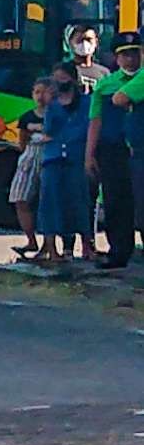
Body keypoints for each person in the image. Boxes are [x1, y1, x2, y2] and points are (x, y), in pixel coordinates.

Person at [94, 31, 144, 270]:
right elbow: (96, 120)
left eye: (135, 54)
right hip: (114, 150)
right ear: (116, 58)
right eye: (125, 55)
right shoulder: (106, 84)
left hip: (137, 150)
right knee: (116, 201)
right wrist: (89, 155)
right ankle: (119, 252)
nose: (130, 60)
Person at [38, 62, 91, 265]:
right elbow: (48, 131)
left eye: (63, 78)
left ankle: (87, 245)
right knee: (50, 202)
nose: (60, 83)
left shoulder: (86, 102)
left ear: (73, 79)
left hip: (76, 157)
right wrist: (50, 102)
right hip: (53, 159)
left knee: (80, 201)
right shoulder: (53, 106)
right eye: (56, 79)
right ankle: (52, 250)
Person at [12, 81, 49, 259]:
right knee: (20, 198)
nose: (40, 97)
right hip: (29, 156)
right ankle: (30, 240)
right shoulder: (26, 117)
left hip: (50, 157)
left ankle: (48, 246)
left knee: (47, 202)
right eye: (36, 92)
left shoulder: (57, 115)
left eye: (44, 92)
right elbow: (22, 142)